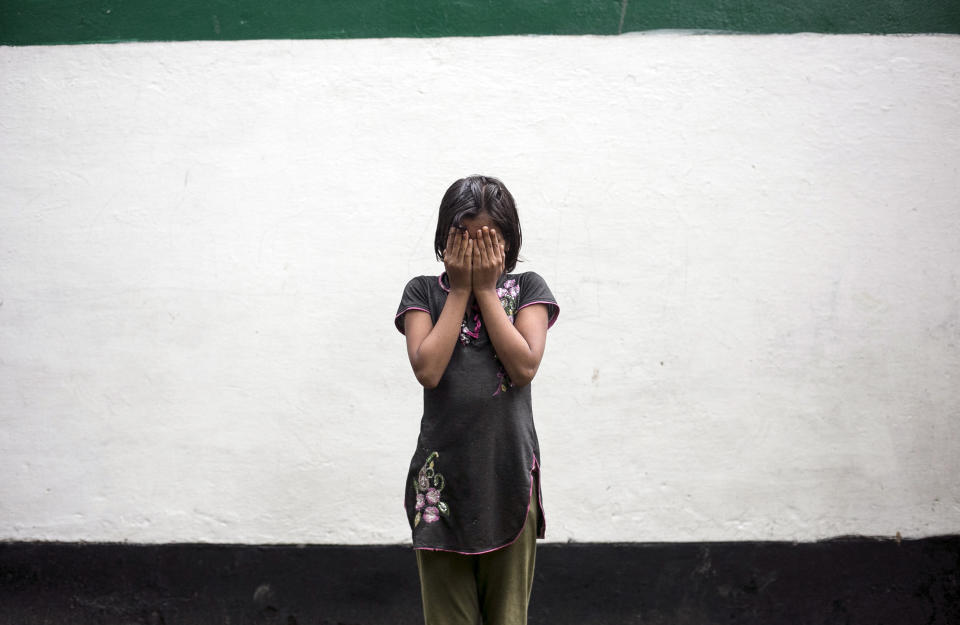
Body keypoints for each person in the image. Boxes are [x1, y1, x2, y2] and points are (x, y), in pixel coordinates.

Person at [394, 175, 560, 625]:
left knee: (507, 617)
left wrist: (486, 290)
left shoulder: (527, 290)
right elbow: (427, 369)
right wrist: (462, 289)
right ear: (444, 239)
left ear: (509, 240)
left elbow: (524, 366)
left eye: (486, 239)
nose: (474, 250)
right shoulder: (423, 293)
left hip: (506, 475)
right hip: (440, 485)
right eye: (463, 238)